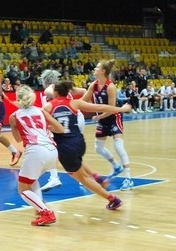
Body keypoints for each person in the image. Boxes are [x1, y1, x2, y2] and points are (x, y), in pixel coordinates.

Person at [43, 81, 131, 211]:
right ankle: (97, 177)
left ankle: (113, 199)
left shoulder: (48, 107)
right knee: (77, 167)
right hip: (79, 143)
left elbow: (46, 127)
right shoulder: (75, 103)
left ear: (55, 92)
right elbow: (101, 107)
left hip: (65, 147)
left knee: (82, 179)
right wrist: (122, 109)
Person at [8, 86, 65, 226]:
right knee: (32, 180)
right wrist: (43, 129)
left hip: (36, 151)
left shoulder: (14, 116)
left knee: (22, 189)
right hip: (52, 150)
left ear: (18, 99)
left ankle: (46, 212)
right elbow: (60, 129)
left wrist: (16, 127)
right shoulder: (41, 110)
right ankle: (40, 209)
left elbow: (18, 139)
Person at [81, 60, 133, 190]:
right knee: (98, 148)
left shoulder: (110, 87)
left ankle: (128, 178)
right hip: (102, 119)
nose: (94, 69)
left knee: (118, 146)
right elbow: (83, 100)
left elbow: (111, 108)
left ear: (103, 71)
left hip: (113, 117)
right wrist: (70, 103)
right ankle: (116, 166)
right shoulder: (94, 85)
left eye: (97, 67)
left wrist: (98, 116)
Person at [38, 68, 88, 192]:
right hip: (77, 117)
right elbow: (84, 91)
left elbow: (47, 94)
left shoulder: (51, 91)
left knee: (55, 148)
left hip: (66, 120)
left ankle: (55, 178)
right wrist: (79, 103)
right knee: (73, 150)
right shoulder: (64, 88)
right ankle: (84, 178)